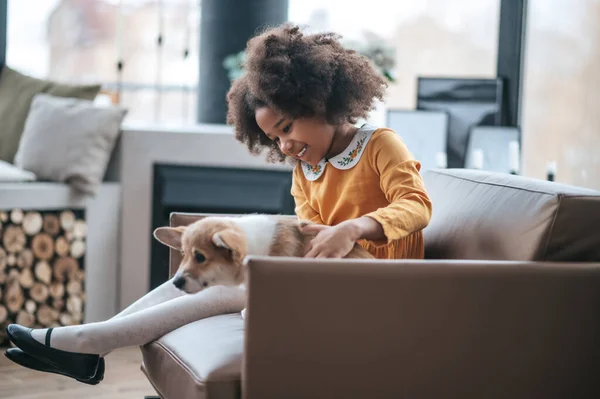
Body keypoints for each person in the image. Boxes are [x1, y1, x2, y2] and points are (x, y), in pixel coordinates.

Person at [4, 23, 432, 384]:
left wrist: (353, 229)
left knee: (236, 282)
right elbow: (310, 237)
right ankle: (90, 343)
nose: (286, 145)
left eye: (287, 127)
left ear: (320, 102)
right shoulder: (306, 171)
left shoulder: (380, 144)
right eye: (275, 140)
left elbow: (417, 206)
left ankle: (87, 344)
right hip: (327, 285)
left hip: (381, 290)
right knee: (223, 273)